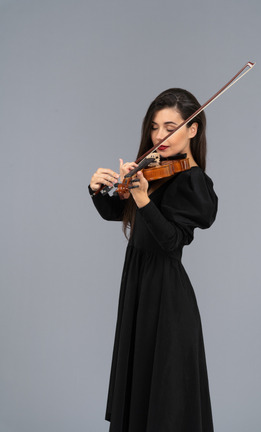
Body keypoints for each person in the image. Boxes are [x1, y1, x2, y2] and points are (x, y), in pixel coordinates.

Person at [88, 88, 218, 432]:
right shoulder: (155, 169)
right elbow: (117, 211)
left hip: (166, 293)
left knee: (167, 395)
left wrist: (144, 200)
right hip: (139, 284)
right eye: (155, 127)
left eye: (171, 127)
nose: (160, 136)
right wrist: (99, 190)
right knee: (139, 383)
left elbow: (173, 241)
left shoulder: (194, 181)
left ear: (193, 130)